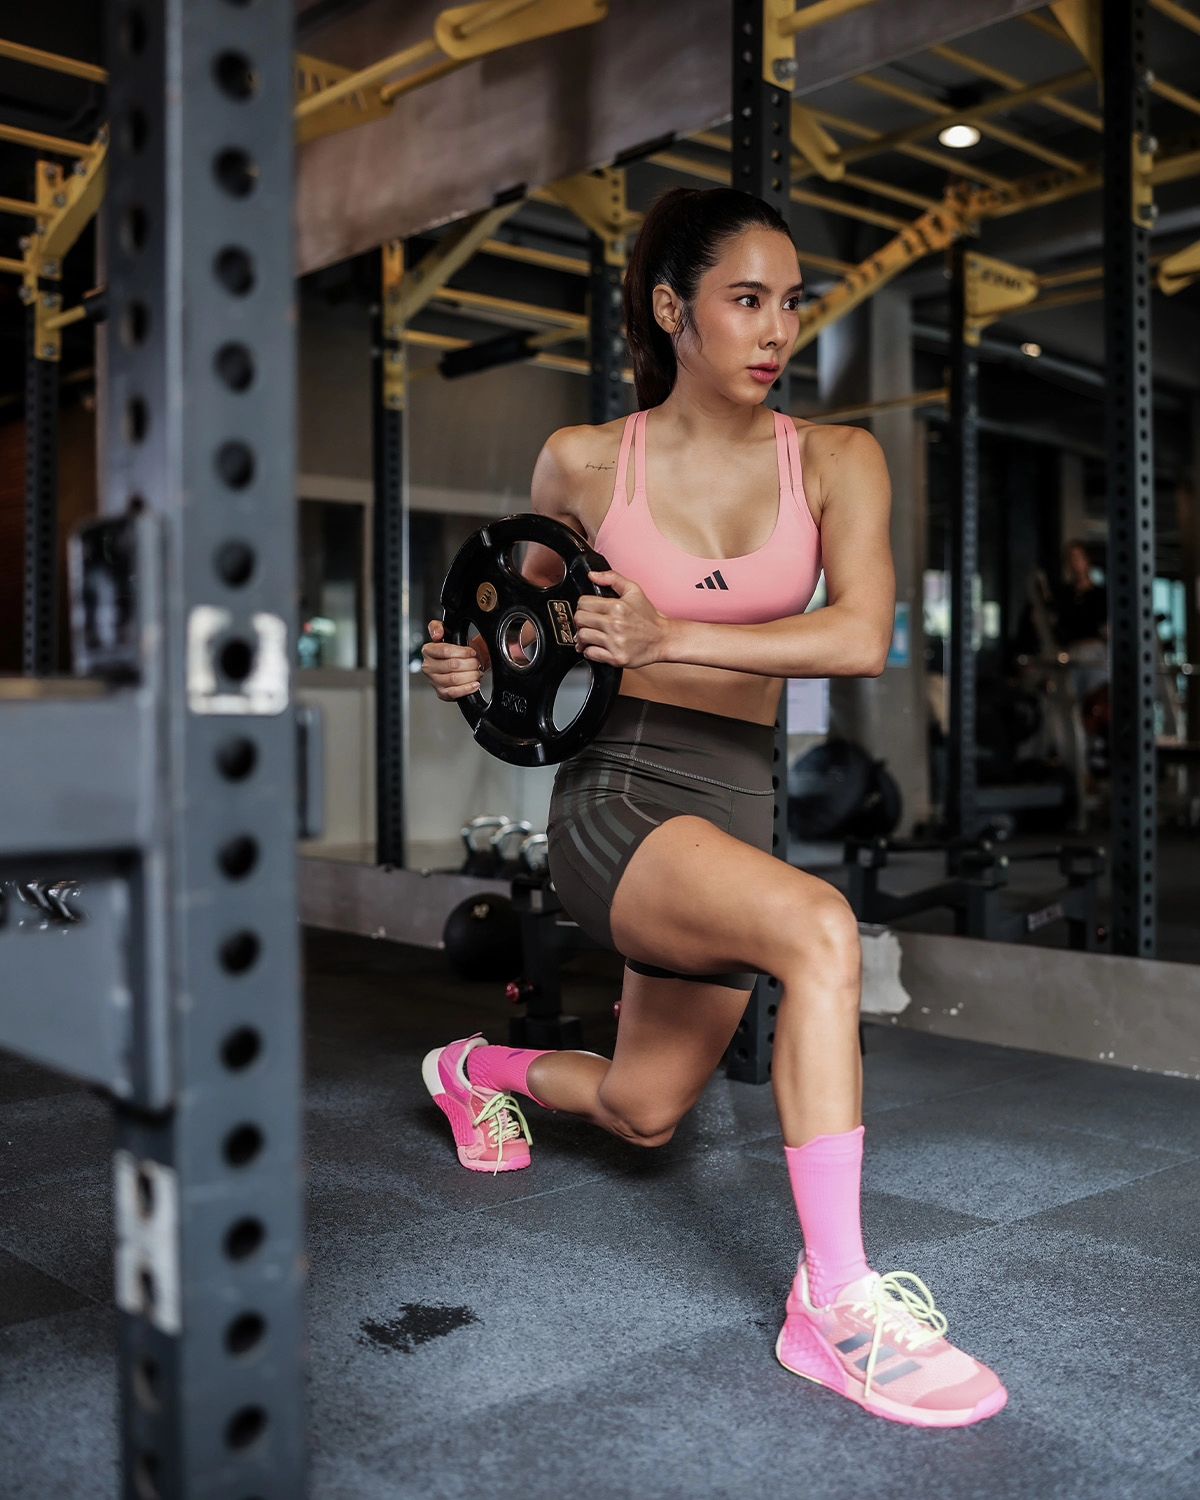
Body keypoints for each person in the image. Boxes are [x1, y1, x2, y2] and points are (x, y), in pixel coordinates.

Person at [420, 186, 1007, 1428]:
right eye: (747, 300)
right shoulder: (586, 460)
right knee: (821, 932)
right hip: (619, 795)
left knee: (644, 1112)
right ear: (672, 308)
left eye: (790, 303)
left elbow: (861, 639)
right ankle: (837, 1307)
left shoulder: (839, 460)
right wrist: (463, 670)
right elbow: (509, 630)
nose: (775, 328)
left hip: (735, 807)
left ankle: (473, 1068)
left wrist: (669, 624)